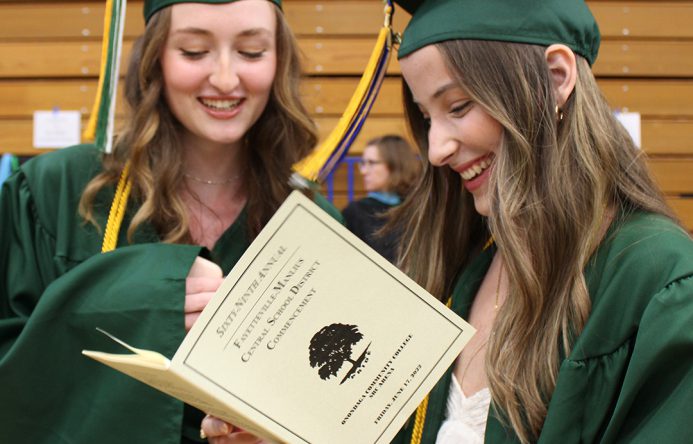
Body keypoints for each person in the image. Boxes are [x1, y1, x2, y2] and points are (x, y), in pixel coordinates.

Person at [203, 0, 693, 442]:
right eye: (426, 118)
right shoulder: (466, 264)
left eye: (458, 107)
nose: (436, 150)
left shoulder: (656, 277)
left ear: (557, 76)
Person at [0, 1, 342, 442]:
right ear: (154, 59)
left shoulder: (311, 223)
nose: (224, 78)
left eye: (253, 52)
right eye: (195, 51)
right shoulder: (56, 192)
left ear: (279, 61)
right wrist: (140, 298)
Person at [342, 134, 420, 262]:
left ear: (395, 164)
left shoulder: (417, 209)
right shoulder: (356, 212)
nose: (364, 171)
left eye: (371, 163)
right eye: (363, 163)